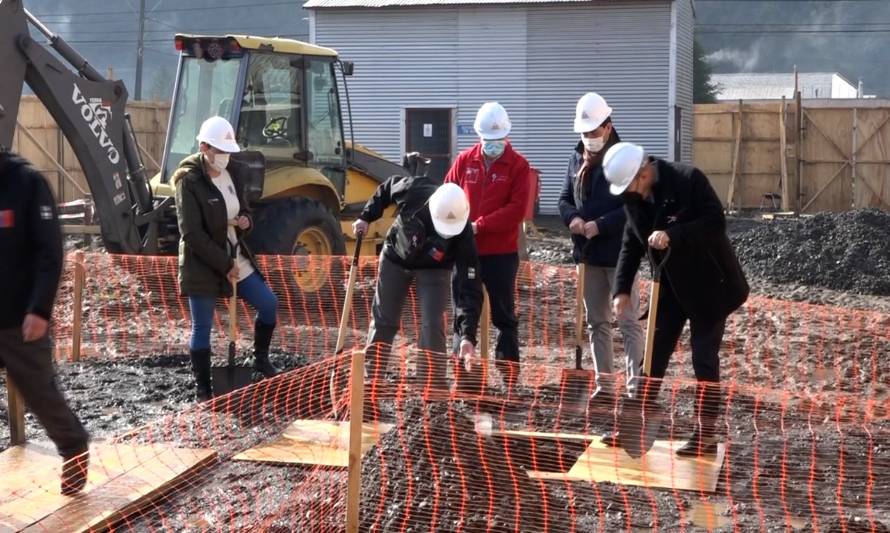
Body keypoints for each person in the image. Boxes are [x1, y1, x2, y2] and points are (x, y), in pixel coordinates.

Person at [603, 141, 749, 457]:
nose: (629, 194)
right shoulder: (634, 200)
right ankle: (635, 424)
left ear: (643, 173)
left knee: (703, 359)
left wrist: (675, 234)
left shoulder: (687, 180)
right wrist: (621, 289)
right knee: (653, 356)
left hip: (711, 286)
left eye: (630, 186)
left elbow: (716, 222)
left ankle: (706, 432)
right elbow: (631, 243)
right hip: (669, 286)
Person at [0, 149, 89, 495]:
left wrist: (39, 310)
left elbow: (50, 253)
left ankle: (73, 446)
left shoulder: (27, 183)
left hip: (19, 319)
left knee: (39, 393)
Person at [172, 116, 278, 402]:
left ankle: (260, 359)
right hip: (203, 261)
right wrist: (223, 263)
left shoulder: (234, 172)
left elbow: (244, 209)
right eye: (220, 151)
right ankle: (203, 388)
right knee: (202, 326)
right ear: (204, 148)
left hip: (236, 255)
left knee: (269, 304)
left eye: (228, 151)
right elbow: (192, 233)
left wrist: (246, 221)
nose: (225, 157)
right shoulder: (188, 181)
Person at [558, 92, 644, 410]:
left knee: (628, 321)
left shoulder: (624, 159)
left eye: (593, 132)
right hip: (589, 255)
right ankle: (604, 385)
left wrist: (602, 224)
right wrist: (574, 219)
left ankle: (636, 389)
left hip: (621, 254)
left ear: (608, 127)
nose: (588, 139)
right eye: (584, 133)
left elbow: (634, 207)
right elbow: (564, 199)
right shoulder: (575, 157)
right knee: (597, 322)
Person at [353, 179, 482, 392]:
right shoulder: (415, 189)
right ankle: (370, 382)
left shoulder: (463, 232)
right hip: (396, 257)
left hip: (435, 268)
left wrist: (468, 335)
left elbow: (469, 286)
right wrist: (366, 216)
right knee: (384, 319)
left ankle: (433, 388)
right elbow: (386, 189)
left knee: (433, 324)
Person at [444, 102, 531, 392]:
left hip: (501, 253)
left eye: (498, 142)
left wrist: (481, 225)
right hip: (466, 251)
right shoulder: (465, 160)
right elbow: (448, 194)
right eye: (487, 142)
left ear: (505, 138)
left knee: (504, 315)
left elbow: (517, 209)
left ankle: (509, 378)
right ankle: (464, 376)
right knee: (463, 312)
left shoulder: (518, 166)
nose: (492, 147)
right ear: (479, 137)